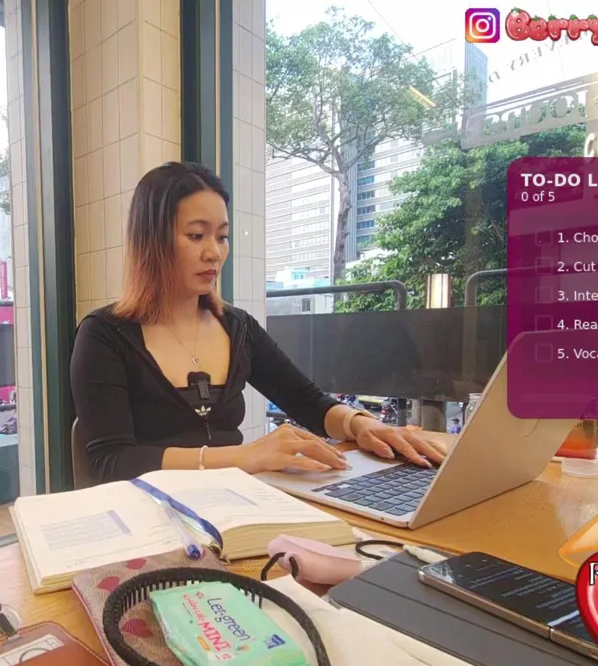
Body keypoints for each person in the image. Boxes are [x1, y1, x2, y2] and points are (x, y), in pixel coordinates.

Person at [70, 162, 446, 484]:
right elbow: (112, 460)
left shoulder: (238, 328)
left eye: (222, 237)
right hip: (151, 515)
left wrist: (360, 425)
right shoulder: (105, 335)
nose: (214, 252)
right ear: (152, 240)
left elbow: (306, 401)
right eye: (196, 235)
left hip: (237, 507)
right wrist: (243, 456)